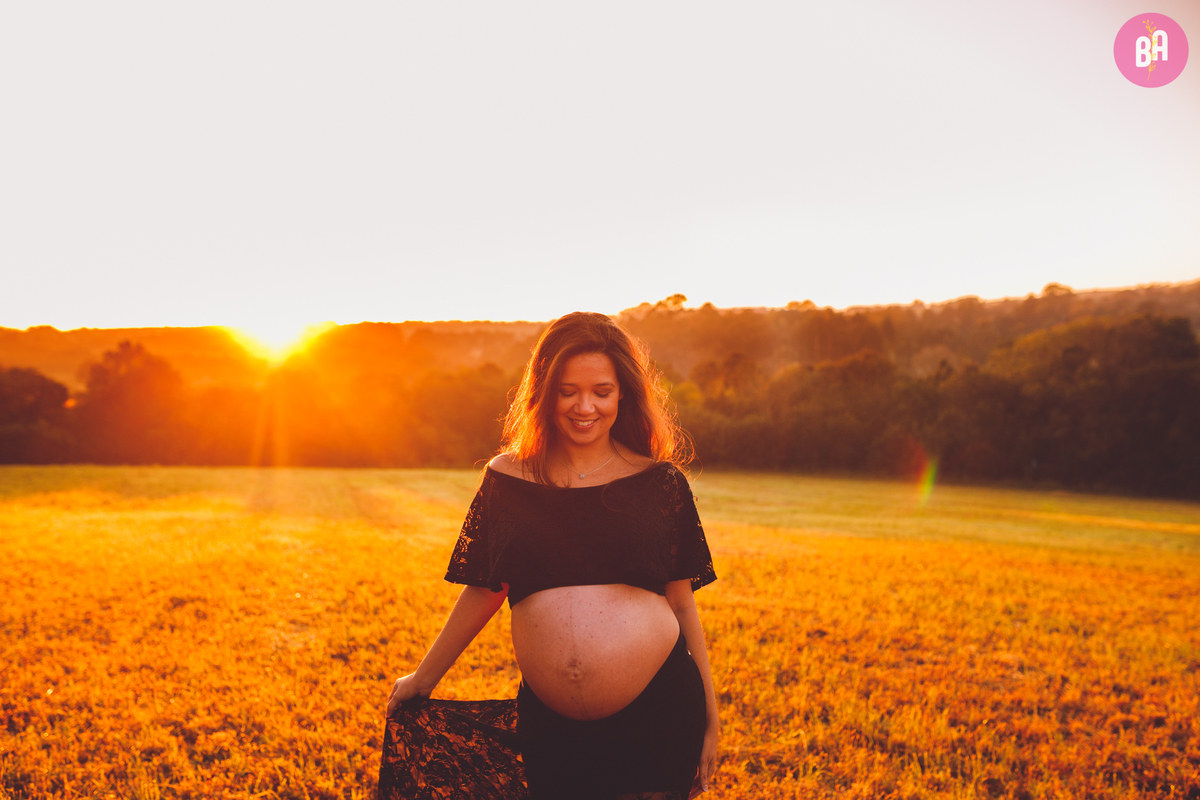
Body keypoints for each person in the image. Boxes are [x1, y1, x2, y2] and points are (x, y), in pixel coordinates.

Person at [384, 312, 719, 800]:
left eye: (601, 391)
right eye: (568, 391)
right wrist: (424, 676)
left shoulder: (659, 483)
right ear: (544, 391)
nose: (585, 406)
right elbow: (485, 588)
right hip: (552, 725)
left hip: (659, 710)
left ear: (623, 393)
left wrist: (710, 713)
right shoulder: (508, 478)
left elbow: (682, 603)